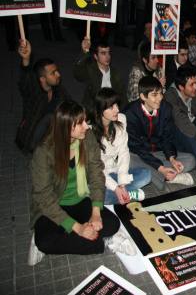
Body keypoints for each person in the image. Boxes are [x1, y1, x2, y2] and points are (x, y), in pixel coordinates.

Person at [28, 101, 131, 266]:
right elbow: (44, 197)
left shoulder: (87, 138)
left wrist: (96, 211)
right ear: (67, 128)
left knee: (112, 224)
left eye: (85, 121)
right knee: (44, 241)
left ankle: (82, 236)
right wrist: (78, 228)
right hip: (53, 207)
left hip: (80, 199)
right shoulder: (43, 153)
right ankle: (101, 243)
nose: (87, 126)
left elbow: (97, 173)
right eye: (80, 123)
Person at [124, 76, 196, 190]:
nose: (160, 98)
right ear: (143, 96)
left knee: (191, 160)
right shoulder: (130, 114)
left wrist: (172, 158)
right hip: (139, 154)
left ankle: (165, 174)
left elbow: (167, 138)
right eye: (154, 95)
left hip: (159, 152)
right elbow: (136, 147)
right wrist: (161, 168)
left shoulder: (166, 108)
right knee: (128, 161)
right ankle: (168, 176)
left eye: (161, 93)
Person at [91, 88, 151, 204]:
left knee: (146, 174)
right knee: (98, 197)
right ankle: (127, 194)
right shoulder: (89, 131)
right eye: (111, 107)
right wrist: (115, 187)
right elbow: (95, 168)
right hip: (98, 175)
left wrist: (122, 181)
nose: (117, 110)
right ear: (100, 109)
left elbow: (124, 152)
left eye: (117, 105)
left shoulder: (121, 119)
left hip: (115, 170)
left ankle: (123, 193)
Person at [16, 39, 70, 153]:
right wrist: (26, 59)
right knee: (51, 117)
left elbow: (71, 106)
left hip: (50, 136)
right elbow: (25, 82)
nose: (58, 74)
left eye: (57, 71)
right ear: (42, 79)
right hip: (31, 137)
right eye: (53, 73)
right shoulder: (33, 92)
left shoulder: (58, 89)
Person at [74, 38, 127, 110]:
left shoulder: (115, 73)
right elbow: (78, 74)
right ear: (95, 56)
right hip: (94, 111)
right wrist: (84, 52)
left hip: (113, 110)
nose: (107, 56)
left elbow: (123, 97)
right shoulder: (90, 70)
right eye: (103, 53)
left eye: (109, 53)